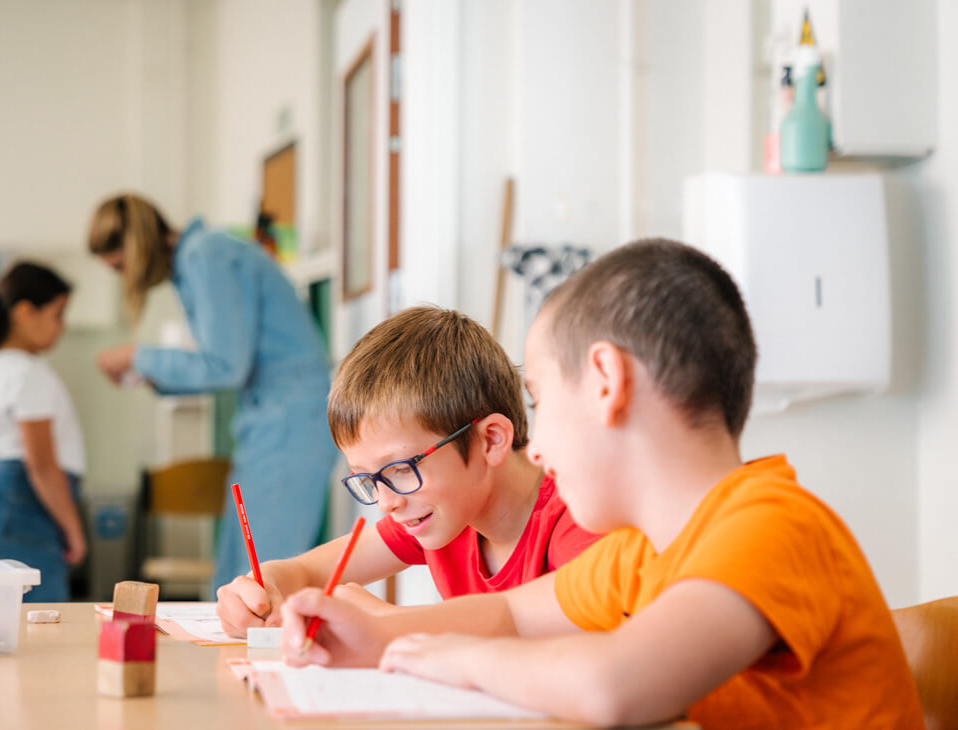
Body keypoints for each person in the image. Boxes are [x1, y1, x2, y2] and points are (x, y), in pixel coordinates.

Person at [277, 239, 924, 728]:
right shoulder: (639, 554)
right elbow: (507, 612)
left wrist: (452, 659)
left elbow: (613, 683)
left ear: (607, 382)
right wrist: (382, 639)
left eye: (540, 397)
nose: (541, 442)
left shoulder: (772, 525)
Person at [217, 306, 597, 637]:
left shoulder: (580, 517)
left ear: (491, 441)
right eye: (367, 479)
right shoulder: (445, 507)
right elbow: (302, 572)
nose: (386, 503)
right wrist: (263, 587)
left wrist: (391, 624)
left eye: (399, 469)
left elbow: (578, 639)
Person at [88, 192, 337, 593]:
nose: (124, 278)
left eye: (120, 267)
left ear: (136, 249)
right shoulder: (198, 261)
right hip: (268, 423)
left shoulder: (206, 256)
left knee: (263, 583)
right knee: (236, 581)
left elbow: (224, 366)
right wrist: (151, 374)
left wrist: (140, 356)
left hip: (289, 425)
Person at [0, 263, 87, 602]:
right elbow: (42, 463)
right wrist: (74, 529)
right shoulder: (27, 373)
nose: (62, 327)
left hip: (10, 504)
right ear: (25, 312)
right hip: (23, 508)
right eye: (58, 314)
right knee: (36, 624)